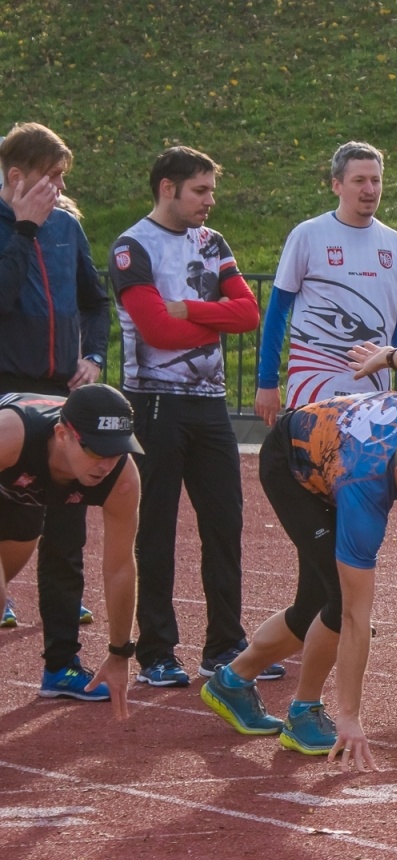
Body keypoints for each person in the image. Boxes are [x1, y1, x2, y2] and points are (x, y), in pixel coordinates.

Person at [199, 343, 397, 768]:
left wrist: (388, 356)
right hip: (292, 464)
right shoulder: (366, 490)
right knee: (340, 601)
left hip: (336, 458)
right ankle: (304, 711)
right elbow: (355, 620)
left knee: (314, 604)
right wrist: (351, 717)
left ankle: (232, 681)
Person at [108, 146, 270, 690]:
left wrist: (193, 311)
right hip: (154, 403)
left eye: (211, 190)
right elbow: (156, 331)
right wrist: (212, 322)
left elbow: (247, 313)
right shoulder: (133, 247)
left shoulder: (212, 242)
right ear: (167, 188)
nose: (210, 201)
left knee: (224, 523)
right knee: (155, 528)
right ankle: (157, 650)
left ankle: (225, 646)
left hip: (209, 404)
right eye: (200, 191)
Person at [0, 122, 111, 632]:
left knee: (61, 514)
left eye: (63, 179)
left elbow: (94, 302)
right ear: (17, 177)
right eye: (51, 178)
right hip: (6, 389)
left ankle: (59, 608)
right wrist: (23, 228)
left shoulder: (67, 226)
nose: (60, 190)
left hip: (58, 390)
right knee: (12, 504)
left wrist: (93, 356)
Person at [254, 141, 397, 419]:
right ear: (336, 186)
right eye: (359, 180)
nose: (369, 189)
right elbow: (277, 311)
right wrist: (267, 382)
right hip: (313, 396)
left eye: (375, 180)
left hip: (375, 398)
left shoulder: (396, 243)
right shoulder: (308, 234)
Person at [0, 386, 141, 712]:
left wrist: (120, 653)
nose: (106, 463)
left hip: (25, 499)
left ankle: (59, 668)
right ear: (62, 435)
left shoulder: (122, 478)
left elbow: (120, 568)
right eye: (96, 450)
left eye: (116, 450)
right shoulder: (10, 435)